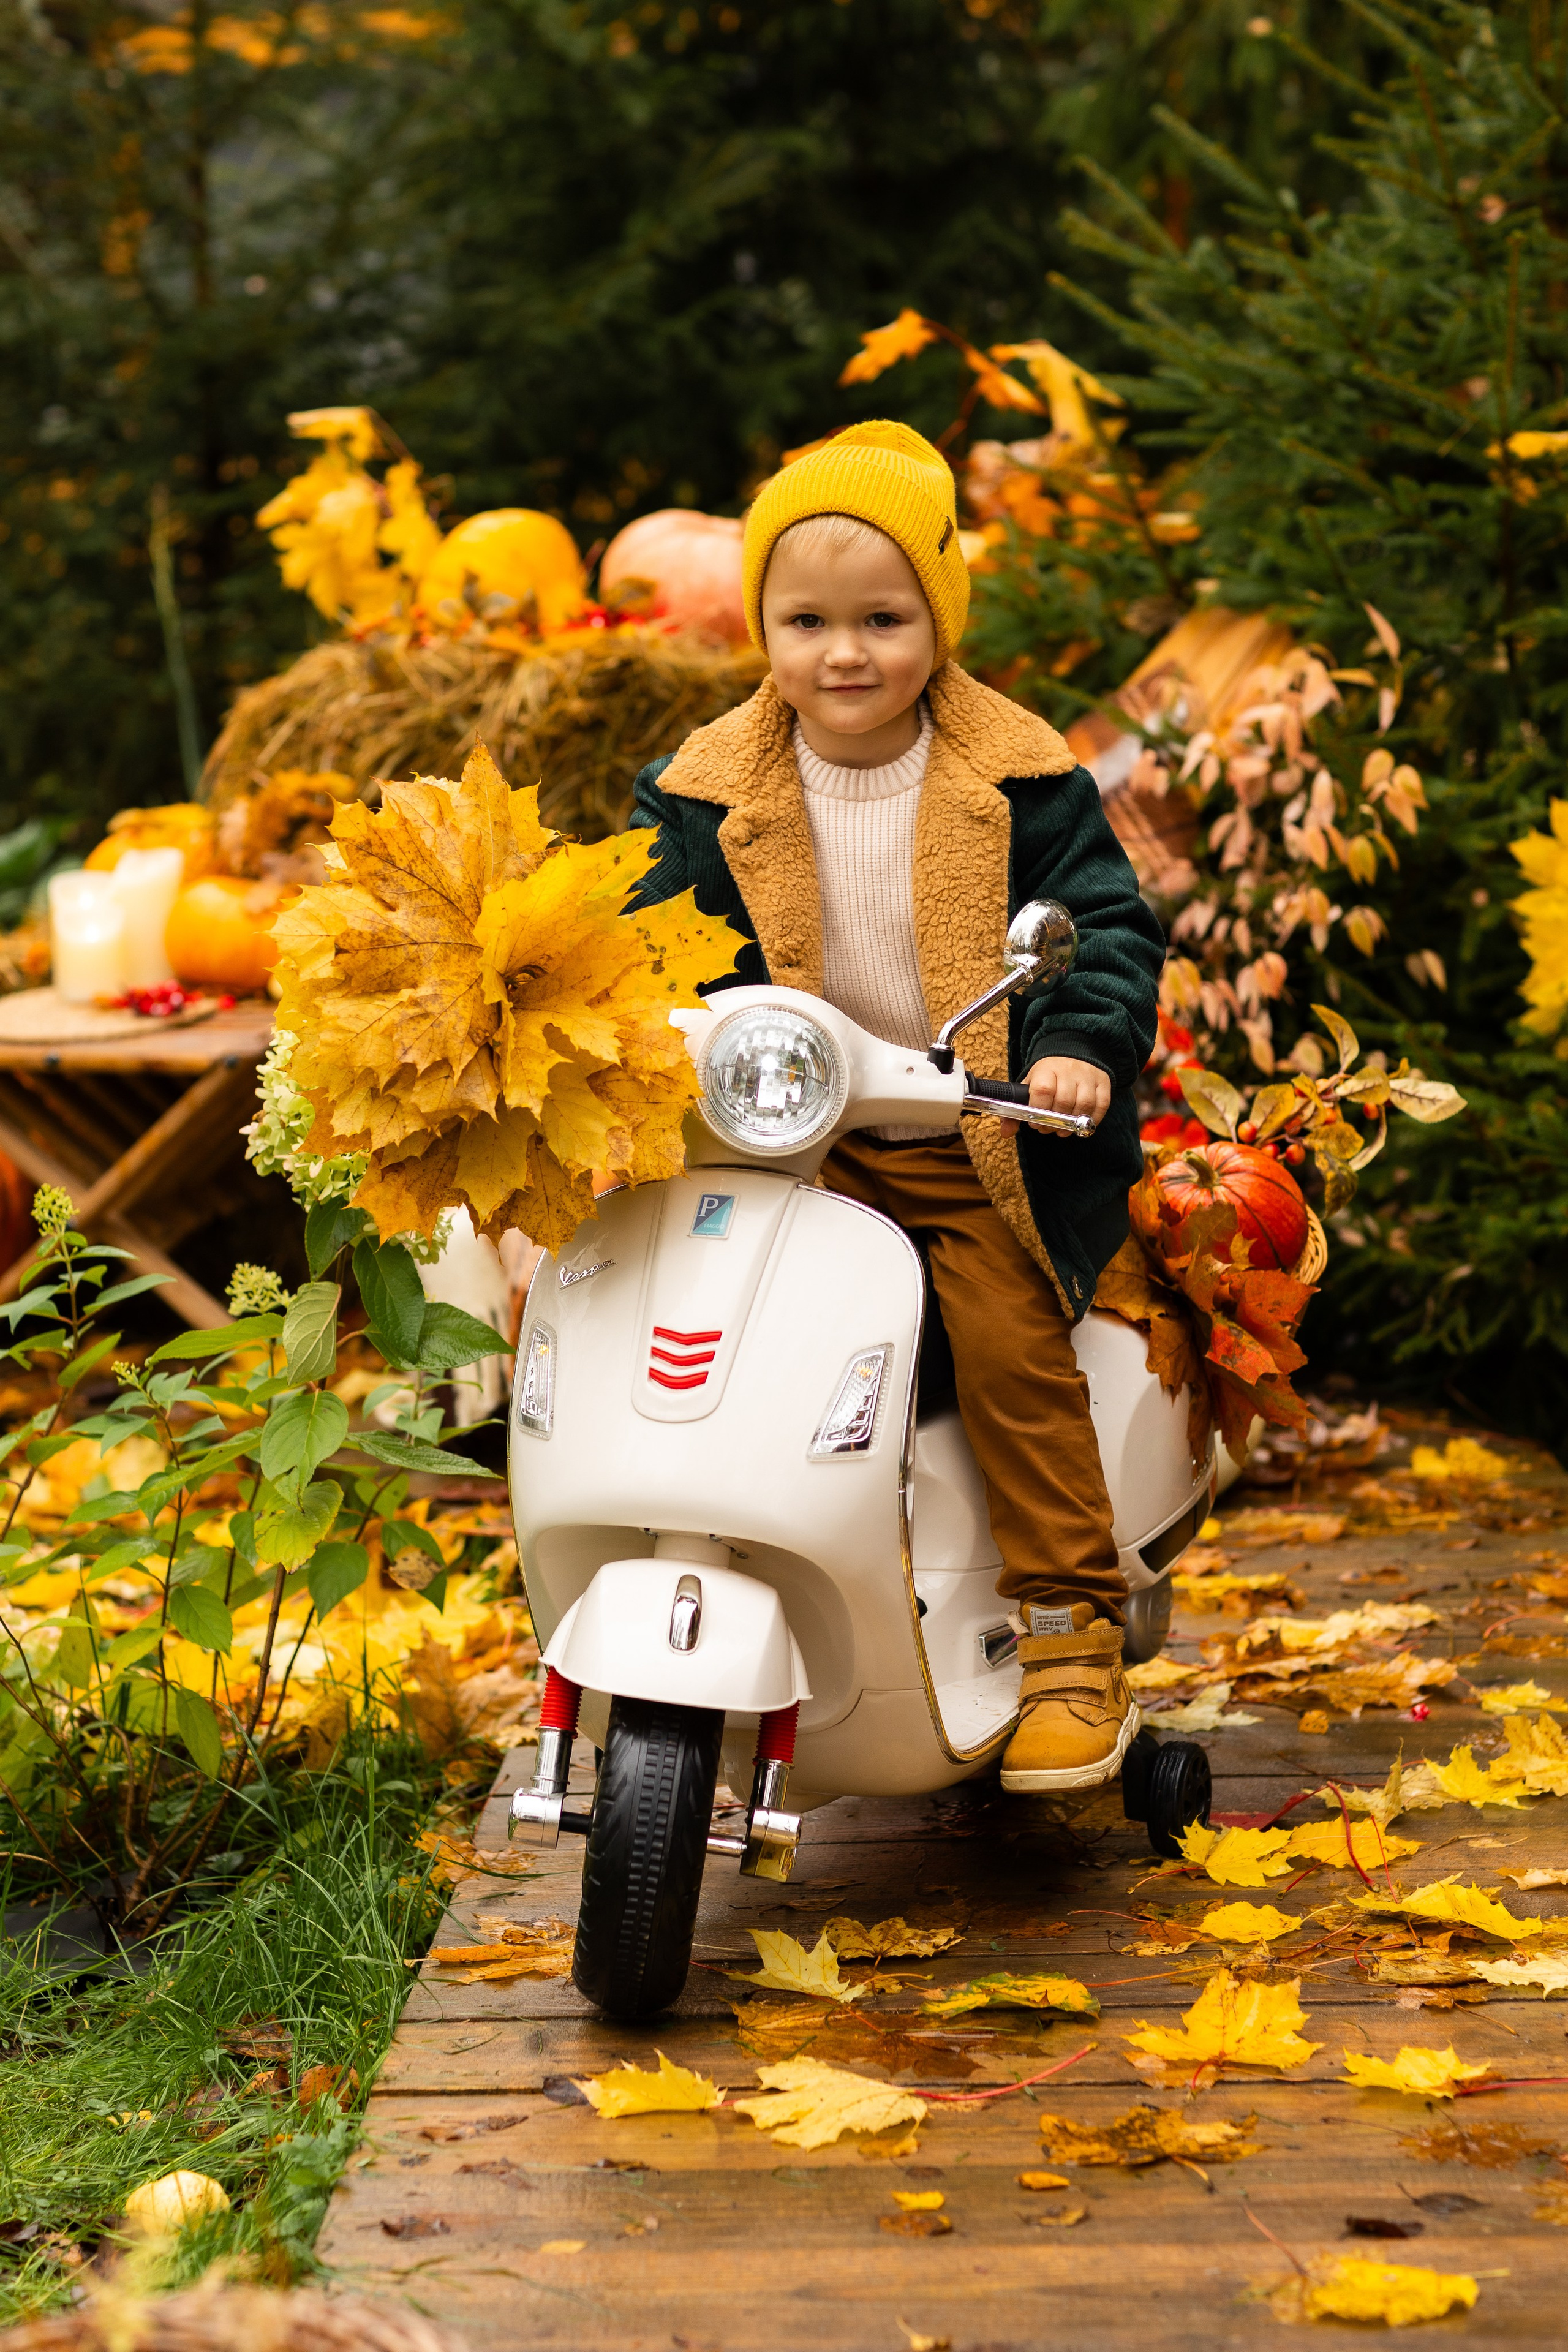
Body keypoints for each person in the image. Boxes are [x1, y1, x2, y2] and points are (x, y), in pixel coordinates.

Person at [627, 420, 1165, 1793]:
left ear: (939, 617)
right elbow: (644, 934)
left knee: (1000, 1336)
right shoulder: (705, 789)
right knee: (700, 1332)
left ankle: (1065, 1628)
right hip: (774, 1145)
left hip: (953, 1130)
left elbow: (1098, 923)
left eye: (883, 617)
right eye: (805, 620)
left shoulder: (1015, 773)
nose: (843, 653)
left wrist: (1075, 1045)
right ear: (760, 625)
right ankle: (711, 1577)